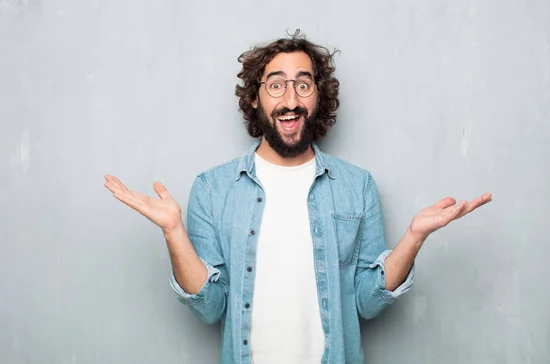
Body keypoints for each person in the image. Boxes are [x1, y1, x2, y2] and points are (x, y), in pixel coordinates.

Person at [104, 31, 492, 364]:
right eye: (276, 84)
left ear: (317, 97)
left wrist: (413, 237)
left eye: (303, 84)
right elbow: (210, 309)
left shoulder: (357, 186)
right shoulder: (212, 189)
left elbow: (367, 303)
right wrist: (173, 231)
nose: (290, 99)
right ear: (255, 98)